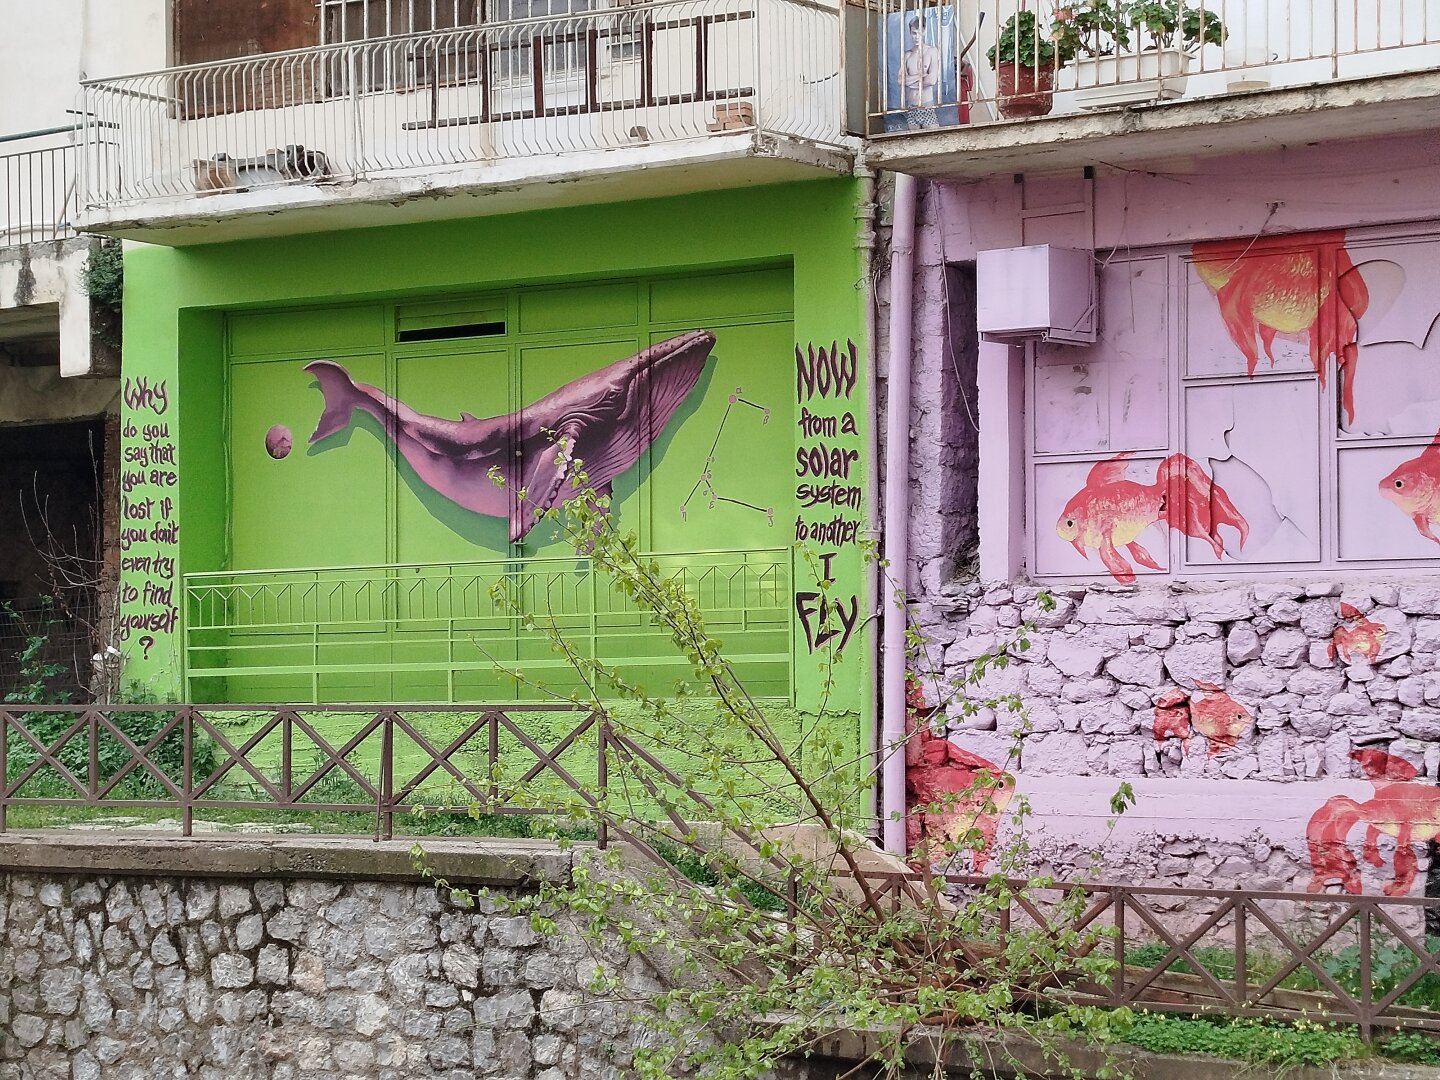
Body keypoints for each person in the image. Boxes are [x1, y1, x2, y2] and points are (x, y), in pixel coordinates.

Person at [900, 16, 941, 128]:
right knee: (913, 142)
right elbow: (901, 80)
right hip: (912, 107)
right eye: (914, 33)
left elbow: (932, 80)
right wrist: (921, 75)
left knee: (933, 141)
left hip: (927, 105)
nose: (916, 37)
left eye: (919, 33)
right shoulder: (907, 55)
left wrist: (910, 80)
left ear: (924, 32)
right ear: (910, 33)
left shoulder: (931, 51)